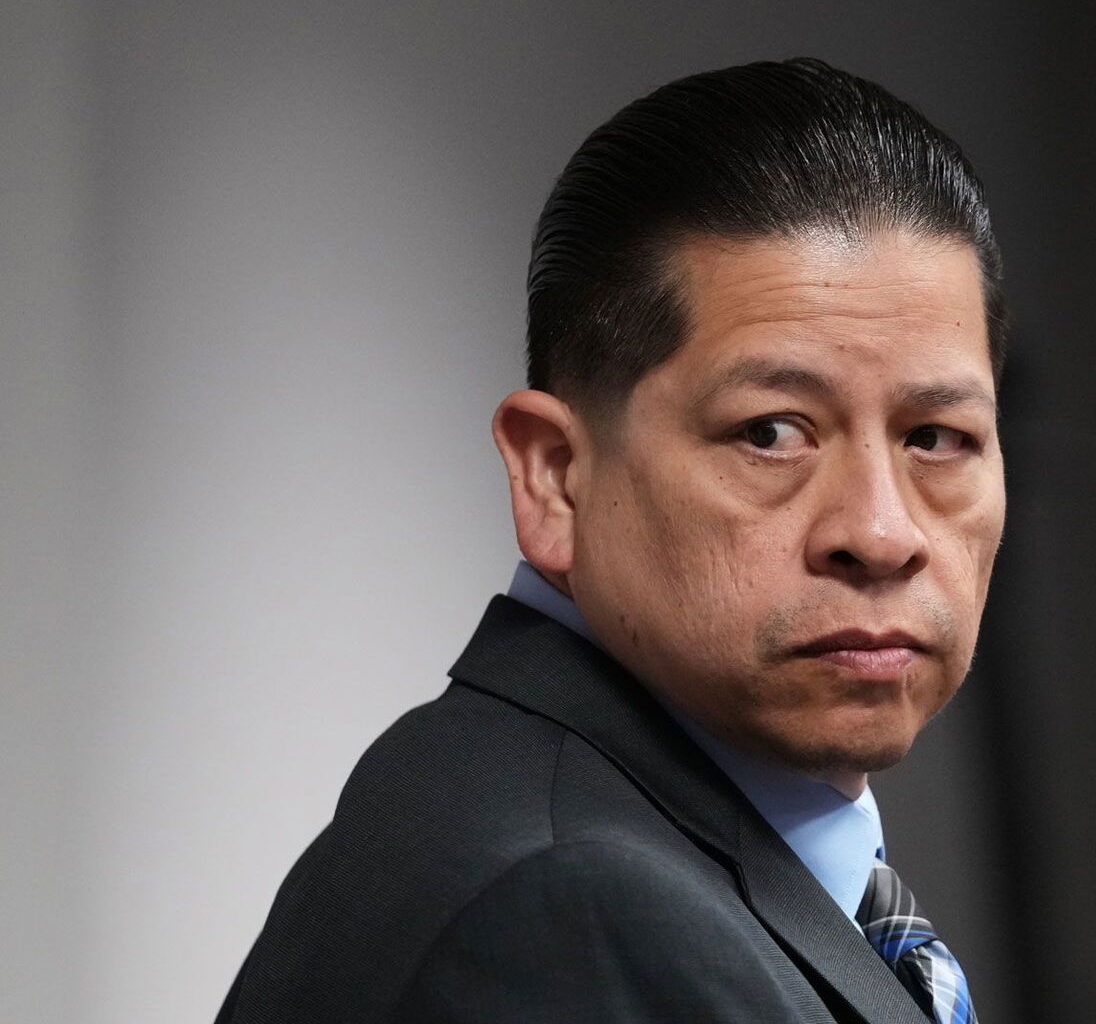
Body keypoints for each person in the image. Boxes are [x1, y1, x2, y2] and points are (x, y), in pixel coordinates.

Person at [215, 57, 1008, 1024]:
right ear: (555, 476)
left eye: (937, 438)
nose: (881, 534)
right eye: (770, 432)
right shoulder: (577, 919)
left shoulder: (548, 819)